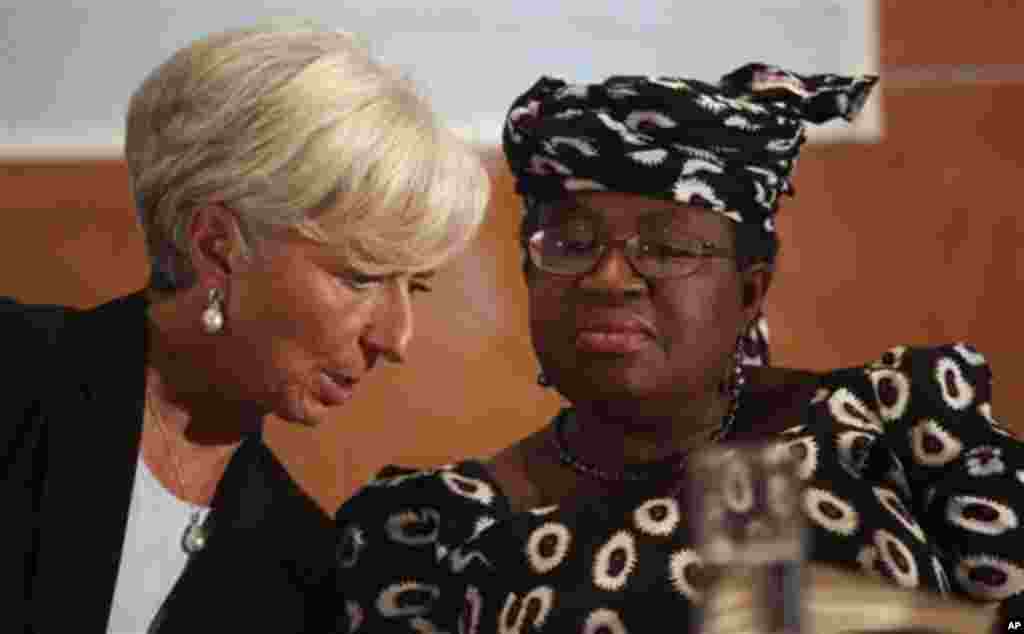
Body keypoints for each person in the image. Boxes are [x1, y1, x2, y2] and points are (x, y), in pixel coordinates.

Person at [333, 63, 1024, 633]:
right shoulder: (432, 532)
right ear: (528, 276)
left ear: (750, 292)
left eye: (665, 247)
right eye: (572, 244)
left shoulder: (891, 431)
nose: (609, 278)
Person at [2, 21, 489, 634]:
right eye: (360, 278)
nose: (395, 339)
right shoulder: (17, 371)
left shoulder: (304, 565)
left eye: (413, 286)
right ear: (216, 246)